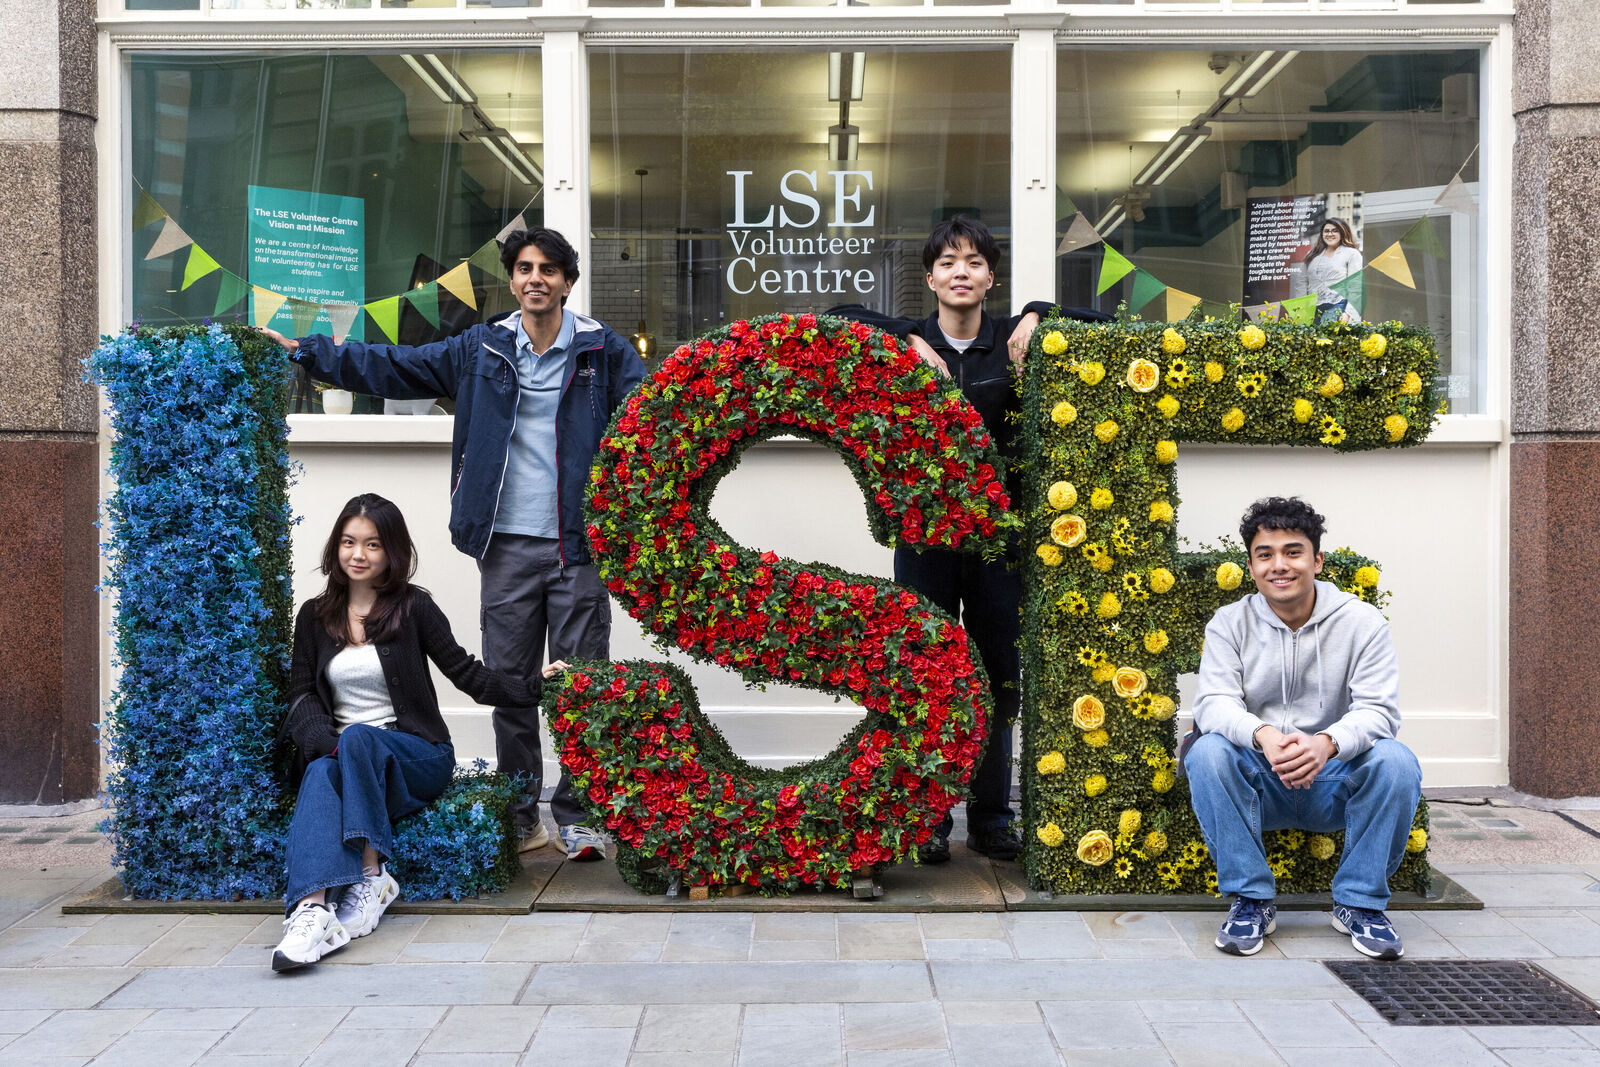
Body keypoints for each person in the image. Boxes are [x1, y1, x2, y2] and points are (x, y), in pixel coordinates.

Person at [262, 228, 646, 864]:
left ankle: (578, 815)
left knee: (582, 686)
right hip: (504, 545)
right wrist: (314, 354)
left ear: (568, 282)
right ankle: (523, 814)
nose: (535, 279)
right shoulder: (483, 345)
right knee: (511, 682)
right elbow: (401, 368)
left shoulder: (600, 350)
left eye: (549, 269)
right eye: (524, 268)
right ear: (513, 277)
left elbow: (650, 416)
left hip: (579, 545)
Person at [832, 215, 1107, 864]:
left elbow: (1105, 324)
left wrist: (1042, 312)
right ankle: (929, 818)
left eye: (975, 262)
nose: (962, 271)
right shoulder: (909, 341)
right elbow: (833, 317)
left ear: (990, 278)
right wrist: (905, 337)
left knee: (994, 680)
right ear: (930, 278)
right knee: (929, 678)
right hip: (924, 543)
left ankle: (990, 815)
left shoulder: (1011, 339)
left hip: (998, 546)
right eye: (949, 261)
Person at [273, 493, 538, 972]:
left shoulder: (413, 608)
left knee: (357, 739)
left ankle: (371, 875)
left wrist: (542, 684)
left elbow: (470, 675)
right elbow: (301, 696)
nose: (358, 554)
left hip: (414, 756)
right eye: (349, 542)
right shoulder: (314, 616)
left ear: (391, 551)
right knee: (318, 774)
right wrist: (320, 738)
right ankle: (311, 912)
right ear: (336, 547)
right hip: (345, 754)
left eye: (372, 544)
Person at [1186, 496, 1422, 960]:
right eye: (1265, 554)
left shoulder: (1362, 623)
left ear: (1317, 560)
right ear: (1251, 566)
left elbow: (1379, 711)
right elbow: (1213, 702)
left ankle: (1359, 905)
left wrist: (1327, 744)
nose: (1280, 565)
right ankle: (1252, 900)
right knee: (1207, 751)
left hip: (1333, 781)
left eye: (1293, 552)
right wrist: (1264, 736)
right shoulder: (1229, 624)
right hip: (1259, 780)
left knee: (1397, 761)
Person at [1291, 218, 1363, 324]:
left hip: (1338, 304)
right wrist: (1300, 310)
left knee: (1324, 337)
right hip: (1312, 307)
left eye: (1335, 230)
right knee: (1312, 338)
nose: (1330, 234)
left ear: (1343, 233)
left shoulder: (1351, 253)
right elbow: (1301, 283)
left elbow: (1356, 286)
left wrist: (1348, 313)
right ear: (1322, 234)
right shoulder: (1312, 254)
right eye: (1326, 231)